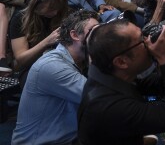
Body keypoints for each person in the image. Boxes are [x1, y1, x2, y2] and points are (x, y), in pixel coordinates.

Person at [77, 17, 165, 145]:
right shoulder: (111, 107)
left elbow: (158, 86)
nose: (149, 41)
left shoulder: (107, 71)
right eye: (142, 40)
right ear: (121, 62)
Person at [11, 10, 99, 145]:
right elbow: (98, 99)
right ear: (74, 35)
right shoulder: (53, 66)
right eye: (93, 31)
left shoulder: (80, 61)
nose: (100, 36)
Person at [9, 0, 69, 87]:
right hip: (31, 68)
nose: (55, 13)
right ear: (39, 2)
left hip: (62, 65)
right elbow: (21, 59)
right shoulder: (20, 19)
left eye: (58, 9)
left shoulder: (65, 15)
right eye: (51, 8)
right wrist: (47, 42)